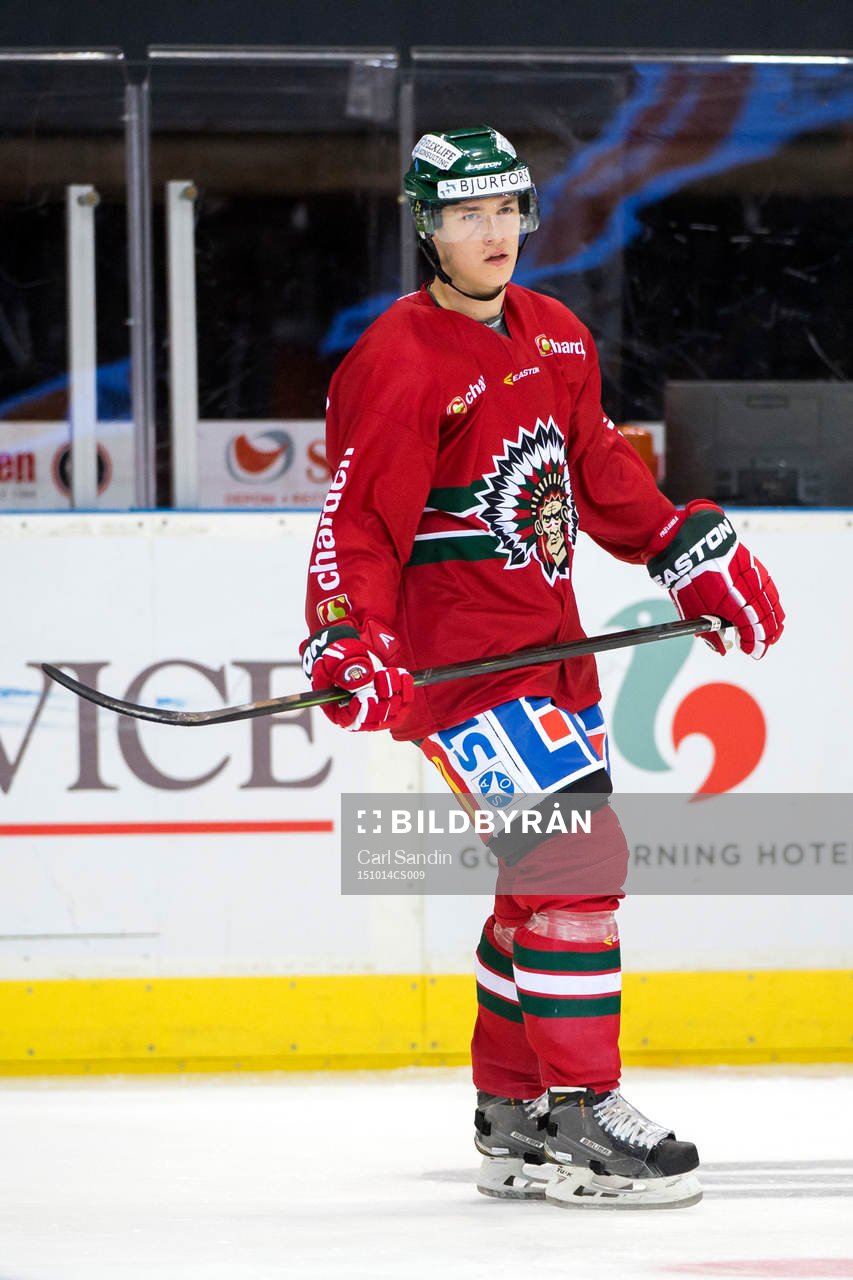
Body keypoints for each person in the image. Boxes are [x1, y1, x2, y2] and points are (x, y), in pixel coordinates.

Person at [301, 126, 784, 1210]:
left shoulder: (557, 335)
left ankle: (511, 1113)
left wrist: (680, 544)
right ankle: (579, 1108)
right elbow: (358, 521)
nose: (491, 233)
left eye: (505, 209)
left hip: (551, 656)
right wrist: (347, 630)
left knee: (541, 877)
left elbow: (600, 471)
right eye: (465, 214)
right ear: (427, 226)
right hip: (466, 667)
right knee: (576, 861)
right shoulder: (398, 357)